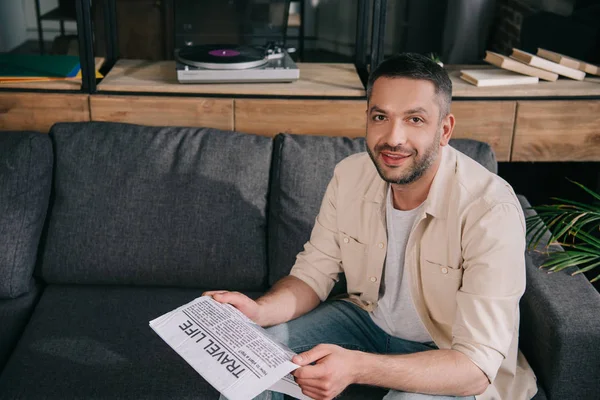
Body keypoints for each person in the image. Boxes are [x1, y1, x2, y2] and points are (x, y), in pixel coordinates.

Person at [205, 53, 538, 400]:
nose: (394, 138)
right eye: (381, 117)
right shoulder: (349, 176)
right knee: (248, 371)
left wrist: (358, 367)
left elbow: (474, 368)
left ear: (444, 130)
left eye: (414, 119)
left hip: (447, 352)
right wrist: (259, 311)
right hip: (364, 320)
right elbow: (312, 274)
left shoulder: (489, 209)